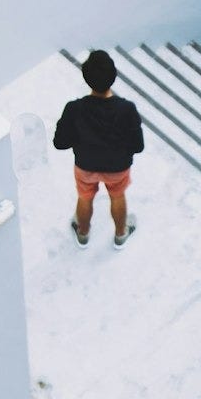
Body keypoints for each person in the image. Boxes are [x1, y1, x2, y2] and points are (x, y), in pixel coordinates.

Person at [53, 49, 144, 249]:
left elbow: (60, 143)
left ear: (86, 78)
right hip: (118, 167)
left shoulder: (74, 109)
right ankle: (120, 235)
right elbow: (138, 146)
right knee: (117, 196)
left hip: (85, 165)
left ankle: (83, 234)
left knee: (85, 198)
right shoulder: (127, 109)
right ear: (113, 77)